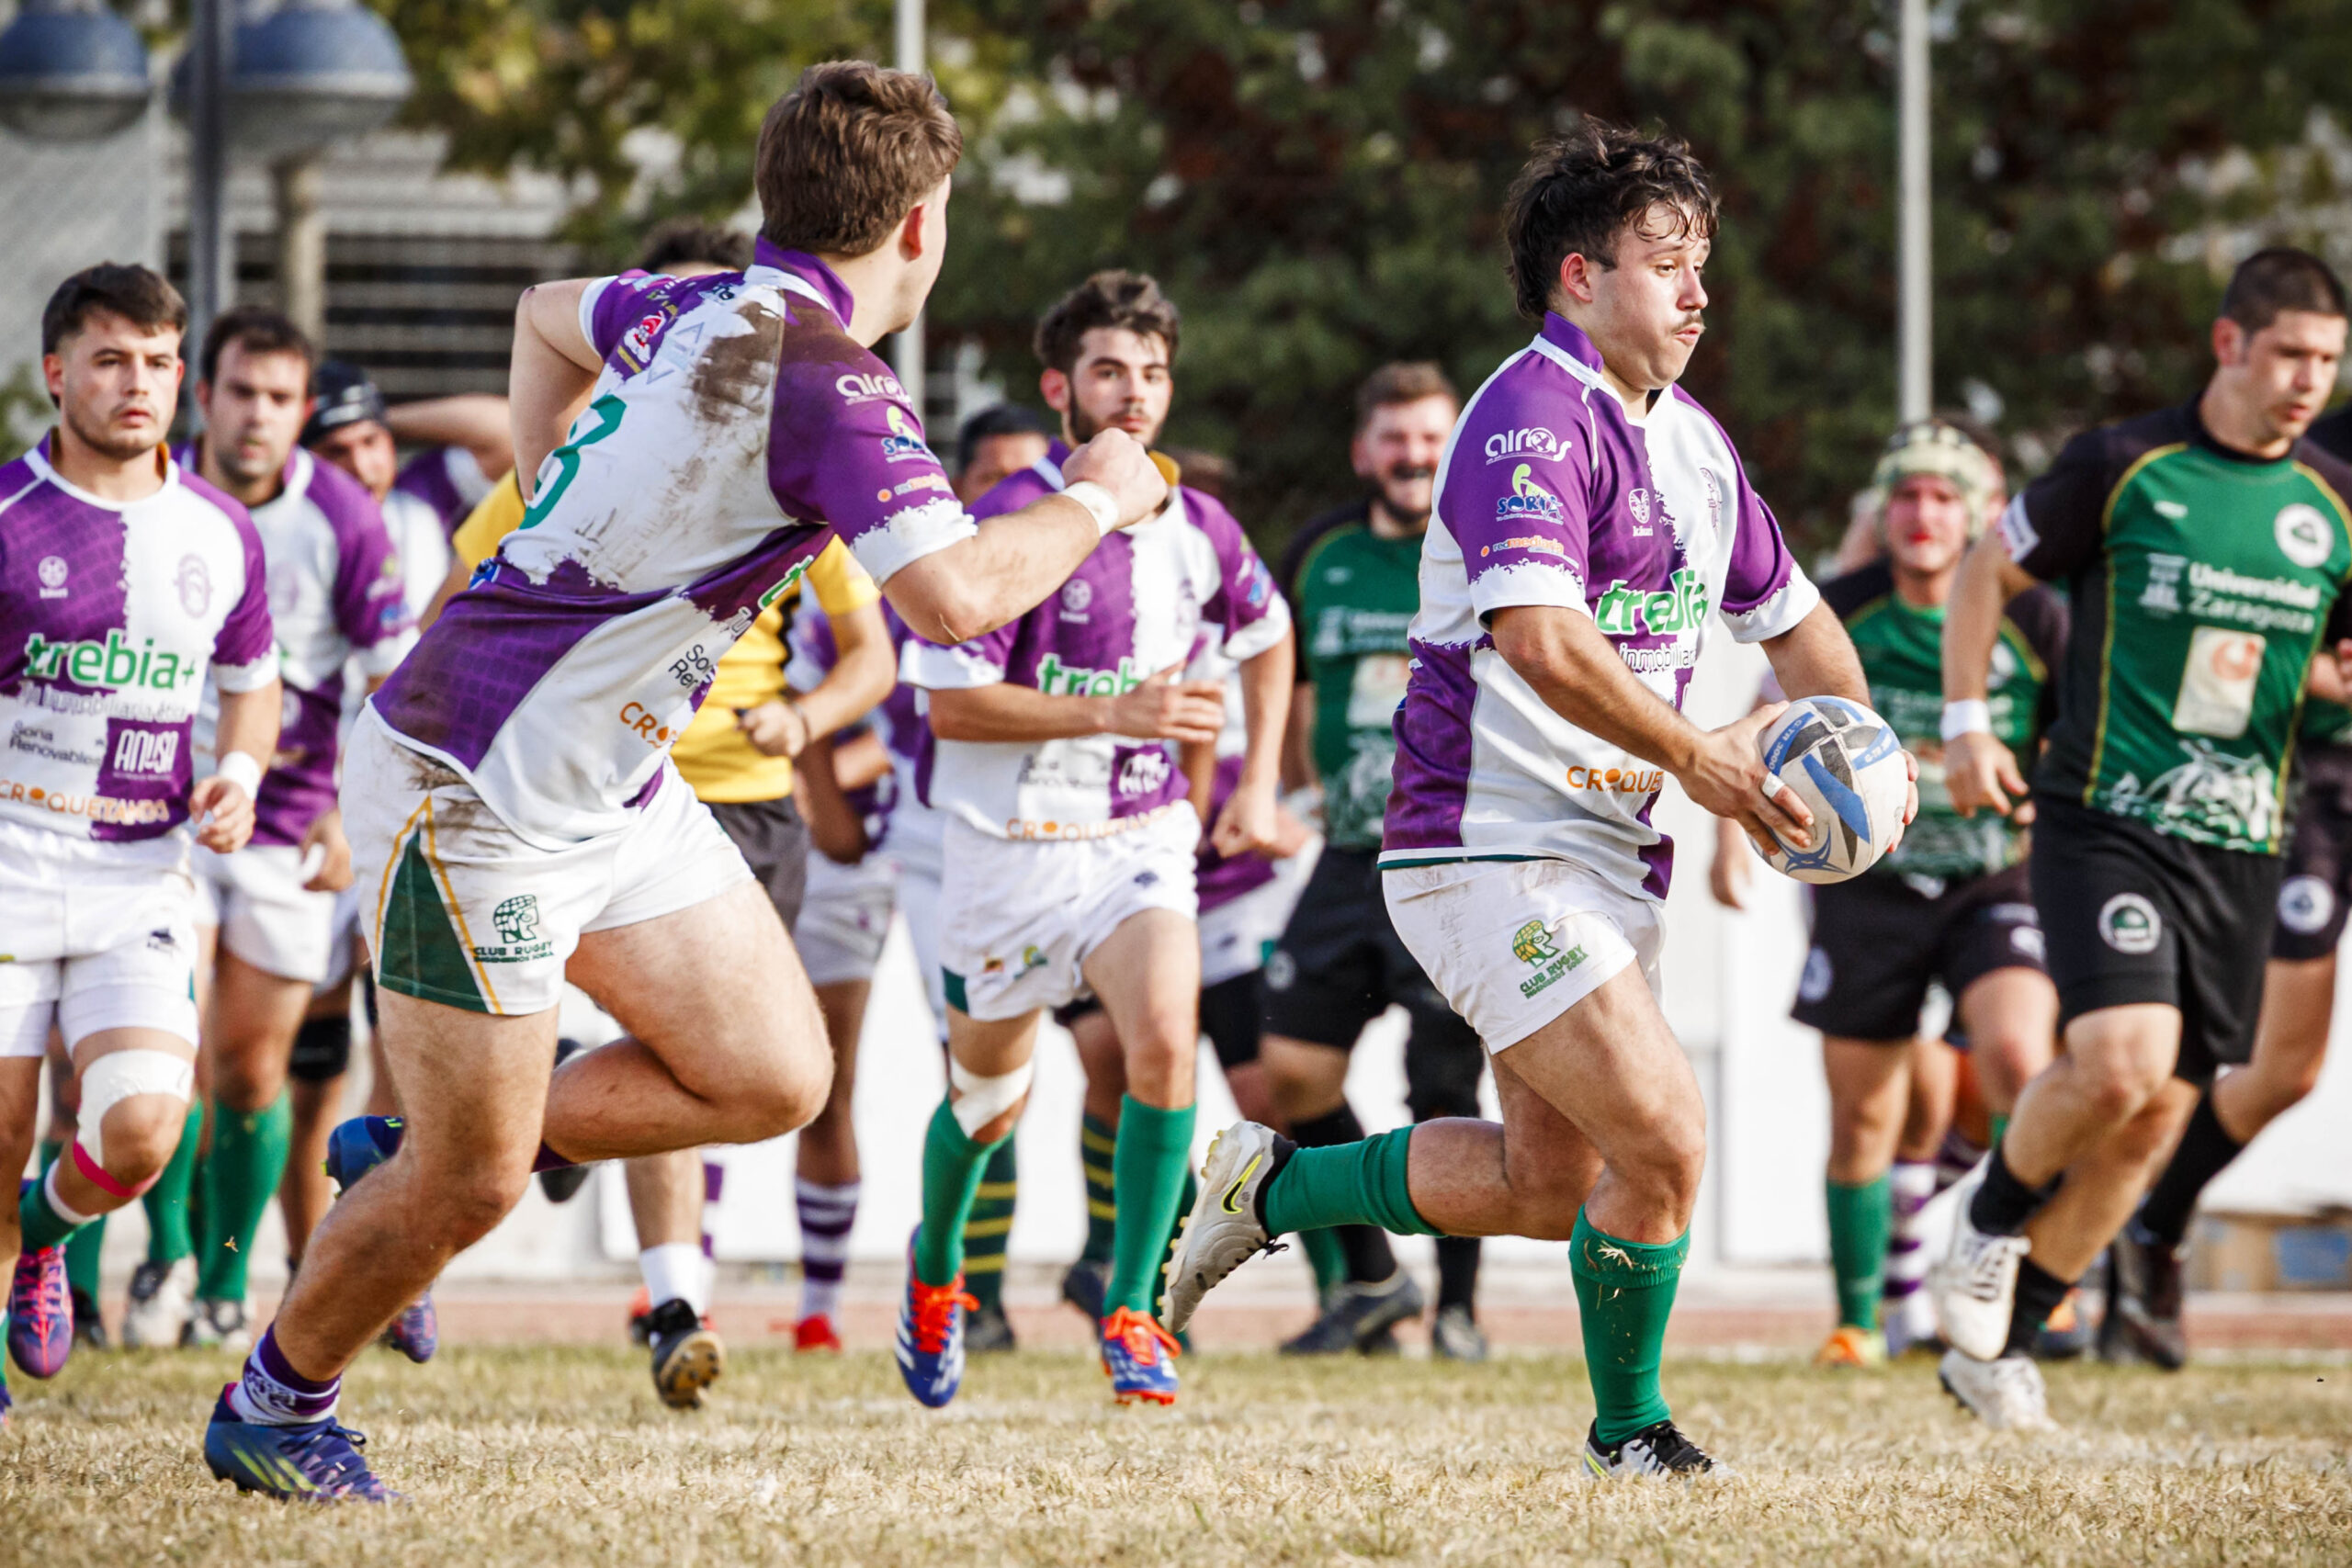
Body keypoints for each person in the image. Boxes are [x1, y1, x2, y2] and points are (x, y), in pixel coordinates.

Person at [198, 62, 1171, 1502]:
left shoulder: (692, 303)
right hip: (474, 783)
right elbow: (959, 600)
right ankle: (277, 1398)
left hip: (606, 778)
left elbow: (543, 314)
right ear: (919, 224)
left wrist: (557, 492)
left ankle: (435, 1137)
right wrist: (1101, 490)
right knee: (468, 1186)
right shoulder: (837, 382)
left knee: (774, 1071)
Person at [1165, 124, 1906, 1480]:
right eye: (1666, 264)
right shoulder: (1528, 414)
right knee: (1667, 1134)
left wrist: (1859, 758)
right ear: (1580, 276)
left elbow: (1800, 627)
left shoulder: (1693, 445)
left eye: (1705, 266)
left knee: (1545, 1180)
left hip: (1606, 855)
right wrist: (1706, 760)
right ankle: (1631, 1429)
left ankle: (1268, 1185)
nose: (1697, 293)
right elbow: (1540, 638)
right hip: (1481, 843)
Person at [435, 221, 895, 1406]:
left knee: (717, 1065)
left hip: (735, 804)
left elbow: (878, 656)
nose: (707, 349)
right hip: (558, 791)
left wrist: (805, 720)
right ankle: (443, 1188)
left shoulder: (804, 464)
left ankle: (671, 1295)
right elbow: (454, 620)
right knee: (539, 1068)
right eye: (676, 322)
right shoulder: (561, 476)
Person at [1933, 247, 2352, 1430]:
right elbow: (1985, 569)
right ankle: (1981, 1216)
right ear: (2229, 345)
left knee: (2161, 1114)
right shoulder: (2121, 465)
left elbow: (2328, 664)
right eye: (2287, 356)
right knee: (2118, 1056)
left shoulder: (2333, 503)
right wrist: (1968, 724)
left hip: (2245, 838)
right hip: (2107, 817)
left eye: (2326, 361)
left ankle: (2001, 1345)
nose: (2306, 382)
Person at [896, 269, 1292, 1409]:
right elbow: (951, 706)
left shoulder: (1199, 524)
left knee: (1165, 1043)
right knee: (986, 1103)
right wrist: (1113, 711)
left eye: (1155, 373)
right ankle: (935, 1275)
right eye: (1111, 371)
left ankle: (1132, 1309)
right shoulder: (1006, 521)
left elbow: (1267, 632)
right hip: (1004, 843)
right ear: (1059, 387)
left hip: (1136, 833)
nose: (1135, 395)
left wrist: (1256, 781)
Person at [1713, 420, 2064, 1370]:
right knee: (1866, 1114)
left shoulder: (2029, 616)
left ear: (1978, 516)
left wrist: (2037, 802)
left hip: (1993, 877)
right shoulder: (1845, 608)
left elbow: (2078, 741)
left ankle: (2041, 1281)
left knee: (2020, 1058)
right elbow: (1763, 723)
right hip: (1868, 889)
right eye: (1906, 496)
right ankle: (1860, 1321)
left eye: (1943, 498)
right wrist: (1724, 840)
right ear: (1884, 509)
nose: (1922, 514)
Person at [1, 265, 281, 1403]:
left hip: (144, 872)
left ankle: (43, 1237)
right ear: (57, 373)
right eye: (112, 360)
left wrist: (241, 773)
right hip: (11, 861)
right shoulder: (10, 521)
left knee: (143, 1135)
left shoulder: (220, 531)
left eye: (161, 363)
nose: (140, 385)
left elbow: (251, 682)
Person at [146, 309, 413, 1354]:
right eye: (240, 391)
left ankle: (221, 1278)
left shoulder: (344, 516)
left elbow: (388, 682)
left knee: (251, 1073)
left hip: (291, 820)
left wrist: (354, 811)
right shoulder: (149, 494)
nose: (257, 416)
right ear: (201, 397)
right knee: (157, 1055)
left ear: (302, 412)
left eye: (279, 398)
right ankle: (152, 1262)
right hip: (148, 813)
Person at [2098, 393, 2352, 1367]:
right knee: (2282, 1066)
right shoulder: (2313, 465)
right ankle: (2145, 1228)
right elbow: (2223, 650)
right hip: (2307, 785)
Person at [1258, 361, 1494, 1360]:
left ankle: (1457, 1311)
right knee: (1290, 1071)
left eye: (1431, 438)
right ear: (1364, 452)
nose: (1412, 457)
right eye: (1394, 438)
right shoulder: (1319, 552)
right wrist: (1282, 795)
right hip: (1351, 856)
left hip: (1457, 858)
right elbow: (1296, 688)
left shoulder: (1494, 551)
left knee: (1445, 1090)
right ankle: (1374, 1279)